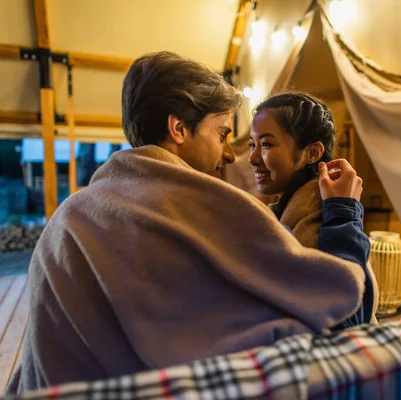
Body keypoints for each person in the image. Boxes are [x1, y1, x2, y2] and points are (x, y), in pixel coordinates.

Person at [8, 52, 373, 393]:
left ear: (312, 153)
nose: (232, 155)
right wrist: (344, 210)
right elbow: (337, 306)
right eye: (223, 134)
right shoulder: (212, 208)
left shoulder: (70, 215)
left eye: (265, 144)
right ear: (179, 129)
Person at [248, 92, 378, 322]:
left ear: (312, 153)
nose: (252, 157)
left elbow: (341, 318)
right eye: (252, 144)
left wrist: (343, 212)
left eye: (266, 144)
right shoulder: (290, 207)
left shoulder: (315, 213)